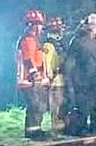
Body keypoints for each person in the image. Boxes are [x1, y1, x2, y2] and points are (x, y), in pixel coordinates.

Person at [65, 13, 96, 135]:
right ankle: (94, 126)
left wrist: (69, 78)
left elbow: (70, 62)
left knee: (82, 104)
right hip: (94, 79)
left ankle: (81, 128)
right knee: (93, 102)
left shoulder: (77, 43)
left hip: (81, 79)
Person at [16, 9, 49, 138]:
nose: (41, 28)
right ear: (34, 25)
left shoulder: (32, 40)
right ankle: (33, 132)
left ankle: (36, 129)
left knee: (38, 105)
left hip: (33, 80)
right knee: (35, 105)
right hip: (30, 80)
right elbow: (28, 59)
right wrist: (35, 75)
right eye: (40, 25)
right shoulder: (29, 40)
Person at [42, 16, 67, 135]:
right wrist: (50, 77)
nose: (62, 30)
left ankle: (61, 127)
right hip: (56, 81)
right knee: (56, 107)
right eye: (60, 27)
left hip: (62, 79)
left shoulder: (59, 43)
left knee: (61, 106)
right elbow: (48, 64)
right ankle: (56, 129)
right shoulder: (49, 45)